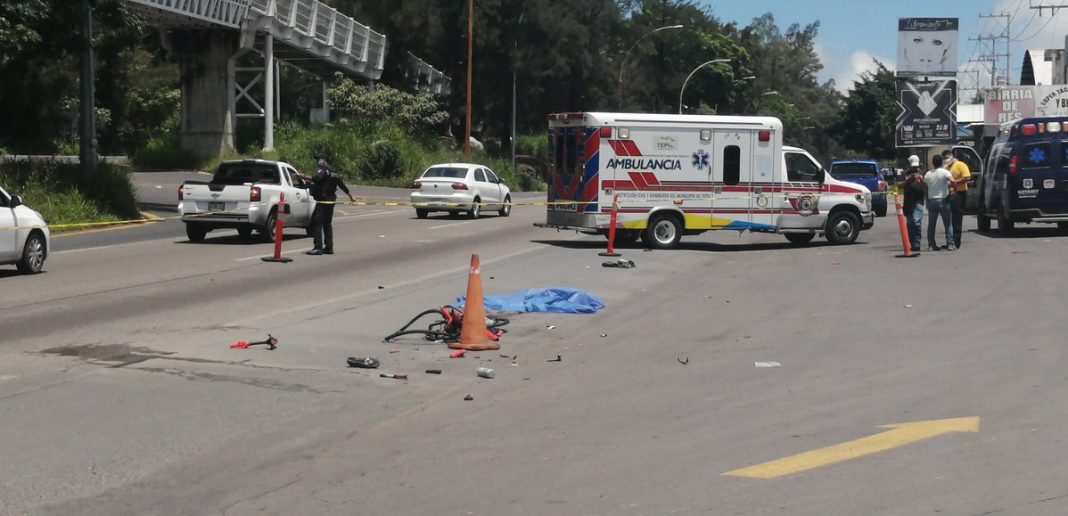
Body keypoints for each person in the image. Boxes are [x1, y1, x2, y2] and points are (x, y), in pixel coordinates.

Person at [296, 154, 356, 255]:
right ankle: (329, 247)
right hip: (330, 201)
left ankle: (318, 247)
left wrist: (302, 176)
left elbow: (316, 178)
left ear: (324, 160)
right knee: (327, 223)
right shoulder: (335, 173)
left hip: (323, 201)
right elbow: (342, 185)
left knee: (317, 221)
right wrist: (351, 196)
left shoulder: (324, 170)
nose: (317, 162)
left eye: (319, 160)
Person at [924, 154, 954, 251]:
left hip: (932, 200)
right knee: (948, 223)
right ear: (941, 162)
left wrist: (927, 201)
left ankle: (931, 244)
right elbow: (952, 181)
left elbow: (925, 188)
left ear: (933, 163)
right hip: (943, 200)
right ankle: (950, 244)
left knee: (931, 224)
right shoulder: (945, 172)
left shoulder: (928, 174)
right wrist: (954, 190)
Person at [942, 150, 971, 249]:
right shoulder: (945, 168)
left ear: (952, 156)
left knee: (957, 218)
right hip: (948, 194)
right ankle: (950, 241)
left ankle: (956, 241)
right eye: (944, 158)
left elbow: (966, 177)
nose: (946, 160)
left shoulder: (961, 165)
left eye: (947, 157)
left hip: (959, 193)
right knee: (948, 219)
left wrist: (954, 182)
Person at [901, 155, 926, 252]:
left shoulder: (922, 173)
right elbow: (900, 185)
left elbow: (926, 186)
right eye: (913, 167)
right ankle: (912, 243)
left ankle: (917, 243)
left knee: (916, 222)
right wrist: (910, 179)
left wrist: (921, 178)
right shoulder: (906, 174)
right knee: (910, 223)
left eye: (916, 167)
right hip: (908, 202)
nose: (914, 169)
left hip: (918, 201)